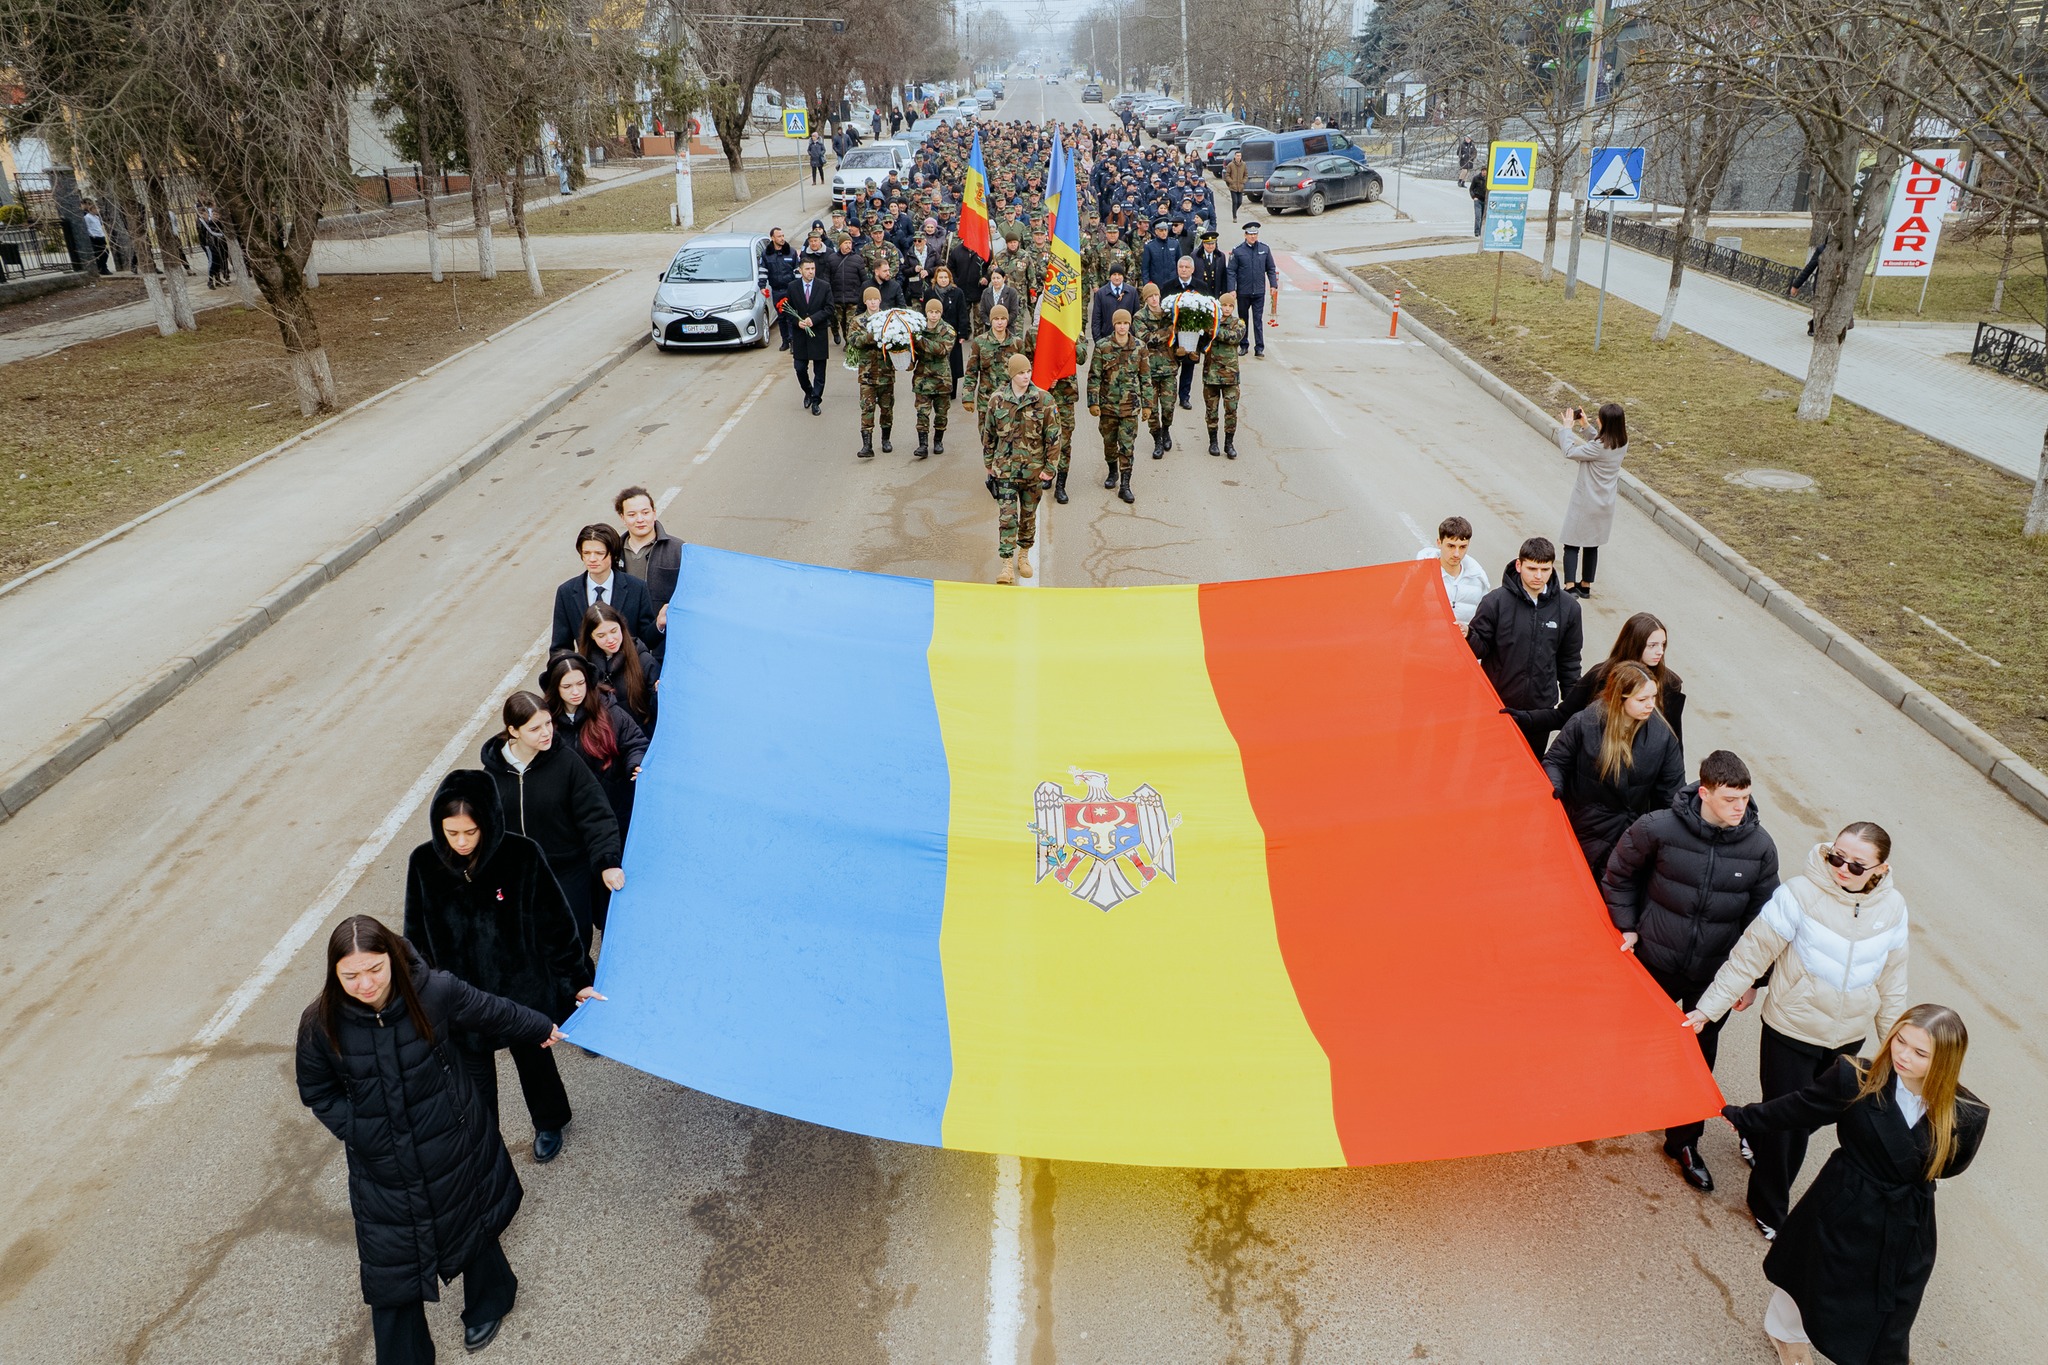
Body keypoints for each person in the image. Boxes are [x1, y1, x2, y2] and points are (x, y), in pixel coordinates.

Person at [297, 915, 562, 1363]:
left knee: (470, 1221)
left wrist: (544, 1026)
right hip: (381, 1163)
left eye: (374, 969)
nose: (365, 984)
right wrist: (358, 1130)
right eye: (350, 976)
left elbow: (492, 1009)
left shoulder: (433, 991)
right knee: (391, 1266)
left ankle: (492, 1298)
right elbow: (317, 1091)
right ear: (333, 974)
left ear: (393, 960)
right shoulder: (320, 1022)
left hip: (451, 1138)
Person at [1721, 1005, 1987, 1365]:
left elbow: (1952, 1165)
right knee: (1808, 1269)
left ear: (1946, 1060)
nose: (1903, 1056)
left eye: (1920, 1052)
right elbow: (1799, 1108)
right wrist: (1743, 1116)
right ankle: (1785, 1332)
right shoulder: (1856, 1078)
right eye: (1900, 1041)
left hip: (1907, 1215)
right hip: (1844, 1196)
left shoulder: (1966, 1113)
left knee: (1894, 1296)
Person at [1686, 823, 1910, 1241]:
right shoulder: (1797, 894)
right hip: (1791, 1029)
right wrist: (1707, 1009)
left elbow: (1893, 983)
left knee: (1818, 1116)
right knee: (1791, 1131)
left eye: (1856, 865)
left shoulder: (1893, 908)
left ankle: (1757, 1126)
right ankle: (1769, 1207)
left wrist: (1897, 1049)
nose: (1842, 868)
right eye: (1835, 857)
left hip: (1848, 1036)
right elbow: (1748, 957)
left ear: (1880, 870)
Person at [1602, 750, 1781, 1194]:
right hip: (1655, 961)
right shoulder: (1657, 828)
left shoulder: (1759, 847)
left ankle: (1683, 1142)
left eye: (1745, 799)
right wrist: (1627, 925)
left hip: (1712, 977)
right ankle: (1614, 1104)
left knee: (1699, 1057)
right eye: (1729, 799)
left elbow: (1765, 923)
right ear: (1704, 792)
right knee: (1633, 1035)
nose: (1739, 808)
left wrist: (1751, 982)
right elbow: (1618, 874)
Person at [403, 771, 601, 1164]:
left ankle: (550, 1121)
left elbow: (555, 923)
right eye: (451, 832)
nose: (460, 842)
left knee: (534, 1060)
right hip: (460, 998)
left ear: (489, 822)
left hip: (521, 988)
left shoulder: (522, 855)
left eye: (470, 832)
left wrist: (577, 980)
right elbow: (415, 938)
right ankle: (483, 1142)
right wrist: (422, 995)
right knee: (473, 1078)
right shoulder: (423, 863)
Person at [480, 691, 623, 949]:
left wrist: (607, 862)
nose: (546, 732)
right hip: (520, 875)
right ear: (514, 731)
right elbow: (485, 827)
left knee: (573, 942)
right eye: (535, 728)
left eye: (548, 723)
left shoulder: (567, 762)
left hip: (568, 870)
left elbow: (597, 814)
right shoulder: (492, 773)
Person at [1542, 661, 1686, 877]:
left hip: (1625, 837)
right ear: (1620, 698)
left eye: (1653, 697)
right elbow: (1555, 762)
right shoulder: (1584, 723)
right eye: (1642, 699)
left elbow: (1671, 793)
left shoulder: (1662, 737)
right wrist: (1554, 788)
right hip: (1580, 827)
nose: (1651, 705)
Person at [1465, 536, 1583, 755]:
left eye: (1545, 569)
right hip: (1496, 704)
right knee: (1488, 763)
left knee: (1528, 771)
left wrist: (1573, 705)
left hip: (1539, 713)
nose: (1538, 576)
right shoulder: (1495, 602)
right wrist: (1468, 635)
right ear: (1519, 566)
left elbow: (1569, 662)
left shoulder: (1569, 609)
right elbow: (1479, 648)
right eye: (1532, 568)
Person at [1527, 611, 1687, 747]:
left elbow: (1673, 740)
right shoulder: (1601, 675)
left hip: (1641, 774)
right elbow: (1563, 716)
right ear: (1633, 644)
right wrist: (1520, 718)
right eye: (1652, 645)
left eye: (1663, 644)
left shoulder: (1671, 685)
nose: (1660, 651)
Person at [539, 651, 647, 838]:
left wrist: (635, 763)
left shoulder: (610, 712)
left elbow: (635, 743)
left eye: (580, 684)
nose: (575, 692)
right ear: (555, 687)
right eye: (567, 686)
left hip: (615, 809)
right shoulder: (545, 722)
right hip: (570, 819)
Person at [985, 353, 1060, 584]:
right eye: (1020, 372)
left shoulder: (1044, 400)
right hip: (1005, 470)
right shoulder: (997, 400)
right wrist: (989, 464)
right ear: (1011, 375)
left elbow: (1054, 437)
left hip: (1033, 471)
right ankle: (1006, 563)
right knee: (1007, 518)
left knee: (1028, 516)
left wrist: (1050, 468)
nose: (1026, 376)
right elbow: (988, 434)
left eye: (1028, 371)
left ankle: (1024, 555)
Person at [1554, 402, 1628, 599]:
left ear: (1605, 422)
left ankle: (1570, 586)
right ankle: (1585, 585)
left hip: (1585, 502)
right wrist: (1586, 426)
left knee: (1571, 543)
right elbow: (1601, 441)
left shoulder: (1597, 448)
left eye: (1599, 418)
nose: (1596, 419)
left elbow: (1569, 452)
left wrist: (1567, 429)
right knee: (1591, 544)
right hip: (1604, 504)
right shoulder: (1622, 443)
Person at [549, 524, 655, 652]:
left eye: (599, 553)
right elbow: (560, 646)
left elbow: (647, 640)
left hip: (629, 667)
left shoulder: (637, 588)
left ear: (613, 554)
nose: (592, 559)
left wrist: (659, 625)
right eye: (586, 553)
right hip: (588, 669)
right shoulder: (566, 592)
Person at [1088, 306, 1151, 502]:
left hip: (1130, 406)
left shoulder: (1140, 347)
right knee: (1109, 443)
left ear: (1129, 325)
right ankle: (1112, 471)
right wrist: (1093, 402)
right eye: (1119, 323)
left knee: (1127, 446)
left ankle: (1125, 484)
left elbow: (1146, 378)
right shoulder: (1102, 346)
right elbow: (1094, 376)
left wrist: (1148, 405)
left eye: (1125, 323)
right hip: (1108, 405)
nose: (1122, 327)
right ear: (1114, 325)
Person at [614, 485, 683, 659]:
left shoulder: (678, 550)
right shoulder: (613, 553)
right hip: (627, 647)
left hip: (668, 645)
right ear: (622, 518)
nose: (640, 519)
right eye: (632, 515)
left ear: (654, 512)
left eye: (645, 512)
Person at [579, 602, 659, 735]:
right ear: (591, 636)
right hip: (605, 740)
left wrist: (657, 694)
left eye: (613, 631)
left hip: (643, 737)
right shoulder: (584, 667)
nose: (610, 639)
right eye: (601, 635)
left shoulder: (644, 660)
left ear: (621, 627)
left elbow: (660, 711)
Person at [966, 304, 1032, 457]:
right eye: (996, 319)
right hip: (987, 400)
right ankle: (991, 471)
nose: (1000, 322)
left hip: (1012, 401)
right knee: (987, 437)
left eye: (1003, 319)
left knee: (1011, 438)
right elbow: (971, 372)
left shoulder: (1017, 344)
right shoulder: (980, 342)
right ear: (991, 321)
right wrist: (967, 397)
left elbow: (1026, 371)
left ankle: (1006, 474)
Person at [845, 286, 900, 457]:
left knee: (886, 408)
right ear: (865, 301)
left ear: (880, 300)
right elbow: (853, 341)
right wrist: (871, 337)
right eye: (870, 299)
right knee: (867, 408)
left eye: (875, 299)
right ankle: (867, 445)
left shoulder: (889, 319)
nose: (873, 302)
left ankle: (886, 439)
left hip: (886, 372)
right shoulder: (858, 321)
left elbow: (898, 340)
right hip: (867, 373)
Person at [1415, 515, 1490, 635]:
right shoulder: (1419, 574)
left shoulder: (1478, 580)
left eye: (1462, 547)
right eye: (1451, 546)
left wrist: (1469, 632)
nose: (1456, 553)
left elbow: (1484, 623)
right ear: (1439, 543)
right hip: (1425, 645)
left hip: (1458, 649)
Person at [1135, 283, 1180, 457]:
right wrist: (1168, 332)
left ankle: (1166, 429)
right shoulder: (1139, 317)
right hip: (1149, 370)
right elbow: (1147, 339)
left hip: (1169, 368)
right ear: (1145, 299)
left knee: (1168, 407)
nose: (1154, 299)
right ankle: (1157, 440)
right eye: (1150, 297)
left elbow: (1179, 336)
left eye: (1156, 296)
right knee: (1152, 409)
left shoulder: (1170, 313)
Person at [911, 297, 957, 459]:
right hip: (922, 378)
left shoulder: (948, 330)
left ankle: (938, 440)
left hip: (941, 379)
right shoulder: (918, 328)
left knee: (941, 413)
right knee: (922, 412)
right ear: (926, 312)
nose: (934, 315)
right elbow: (913, 352)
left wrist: (920, 341)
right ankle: (922, 445)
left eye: (937, 312)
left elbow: (942, 350)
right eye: (931, 312)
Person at [787, 256, 834, 414]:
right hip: (801, 336)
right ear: (800, 270)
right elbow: (788, 310)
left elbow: (829, 309)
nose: (810, 272)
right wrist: (797, 321)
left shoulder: (824, 286)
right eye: (807, 269)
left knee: (819, 371)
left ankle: (816, 400)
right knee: (800, 368)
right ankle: (808, 390)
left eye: (812, 269)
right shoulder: (793, 287)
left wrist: (813, 319)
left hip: (818, 334)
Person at [1202, 292, 1246, 458]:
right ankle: (1213, 441)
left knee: (1231, 410)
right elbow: (1201, 343)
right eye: (1224, 305)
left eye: (1230, 306)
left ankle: (1229, 443)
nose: (1227, 309)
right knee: (1211, 411)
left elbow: (1233, 338)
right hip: (1211, 375)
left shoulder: (1238, 323)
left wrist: (1213, 331)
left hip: (1230, 376)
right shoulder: (1209, 322)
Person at [1226, 222, 1277, 356]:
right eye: (1250, 234)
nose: (1253, 237)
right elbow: (1231, 271)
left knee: (1257, 319)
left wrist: (1273, 285)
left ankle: (1259, 347)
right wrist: (1232, 289)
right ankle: (1244, 345)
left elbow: (1271, 268)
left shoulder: (1264, 249)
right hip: (1243, 291)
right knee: (1243, 320)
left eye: (1255, 234)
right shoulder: (1238, 250)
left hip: (1259, 291)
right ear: (1245, 235)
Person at [927, 265, 970, 396]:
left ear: (950, 278)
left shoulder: (957, 293)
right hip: (933, 332)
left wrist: (963, 332)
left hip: (952, 333)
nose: (943, 280)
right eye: (941, 277)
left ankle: (952, 390)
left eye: (946, 277)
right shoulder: (930, 292)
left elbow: (963, 313)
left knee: (953, 362)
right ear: (936, 279)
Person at [760, 227, 800, 351]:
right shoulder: (767, 254)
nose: (782, 238)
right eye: (779, 236)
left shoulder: (791, 252)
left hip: (790, 290)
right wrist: (762, 286)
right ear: (772, 238)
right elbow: (762, 271)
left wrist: (798, 287)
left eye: (783, 236)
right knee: (781, 317)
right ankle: (785, 341)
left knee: (791, 316)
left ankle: (793, 341)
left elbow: (797, 270)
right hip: (776, 290)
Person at [827, 234, 865, 346]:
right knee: (842, 322)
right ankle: (842, 336)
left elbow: (863, 279)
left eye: (850, 243)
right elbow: (827, 278)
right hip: (837, 298)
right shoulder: (832, 259)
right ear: (840, 245)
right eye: (846, 243)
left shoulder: (857, 259)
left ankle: (849, 344)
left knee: (850, 322)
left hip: (853, 298)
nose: (848, 245)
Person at [1090, 263, 1135, 340]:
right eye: (1114, 274)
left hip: (1127, 341)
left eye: (1119, 275)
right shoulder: (1101, 293)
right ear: (1110, 276)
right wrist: (1098, 341)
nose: (1117, 277)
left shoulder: (1132, 292)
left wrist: (1133, 338)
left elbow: (1135, 317)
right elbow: (1096, 320)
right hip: (1106, 340)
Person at [977, 264, 1022, 331]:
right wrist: (991, 323)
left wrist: (1002, 324)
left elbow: (1014, 312)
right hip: (990, 329)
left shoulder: (1012, 292)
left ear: (1004, 278)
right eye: (993, 278)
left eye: (998, 278)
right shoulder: (986, 292)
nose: (995, 281)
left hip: (1007, 330)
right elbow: (982, 312)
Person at [83, 201, 110, 275]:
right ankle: (102, 268)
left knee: (106, 252)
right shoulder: (87, 217)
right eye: (96, 208)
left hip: (101, 235)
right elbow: (87, 227)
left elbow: (99, 226)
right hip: (95, 236)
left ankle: (102, 267)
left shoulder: (97, 217)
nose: (98, 210)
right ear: (92, 209)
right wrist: (92, 235)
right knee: (101, 252)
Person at [1224, 151, 1249, 221]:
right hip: (1233, 187)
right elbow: (1227, 175)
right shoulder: (1230, 165)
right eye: (1237, 156)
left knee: (1239, 202)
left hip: (1240, 186)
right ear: (1235, 156)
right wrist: (1231, 182)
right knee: (1235, 202)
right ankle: (1234, 216)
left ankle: (1234, 211)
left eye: (1240, 156)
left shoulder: (1243, 164)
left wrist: (1243, 181)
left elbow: (1246, 174)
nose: (1238, 157)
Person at [1470, 173, 1488, 238]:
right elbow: (1471, 189)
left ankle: (1481, 231)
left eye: (1485, 171)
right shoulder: (1476, 178)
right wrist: (1473, 197)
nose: (1484, 172)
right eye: (1483, 171)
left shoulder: (1489, 179)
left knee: (1483, 217)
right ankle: (1477, 232)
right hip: (1478, 200)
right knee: (1478, 216)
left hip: (1485, 201)